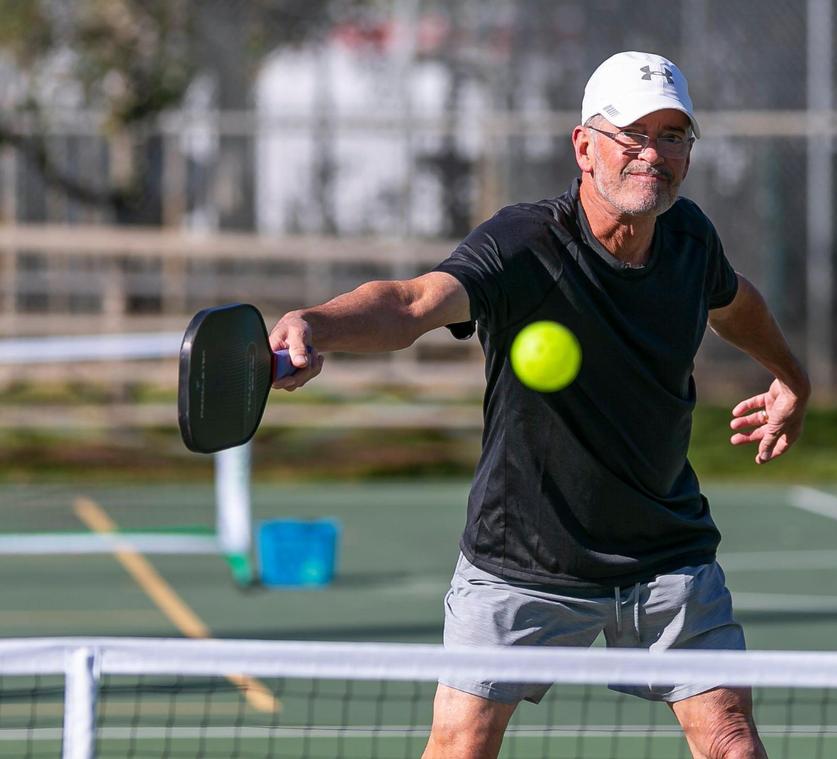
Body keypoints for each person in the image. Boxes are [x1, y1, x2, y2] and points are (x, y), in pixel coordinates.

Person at [269, 50, 809, 759]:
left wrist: (792, 378)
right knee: (461, 746)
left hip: (664, 552)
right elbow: (412, 303)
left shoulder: (689, 239)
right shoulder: (524, 245)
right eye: (634, 135)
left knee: (732, 742)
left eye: (673, 136)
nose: (655, 154)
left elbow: (734, 304)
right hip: (520, 557)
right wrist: (317, 323)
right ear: (585, 146)